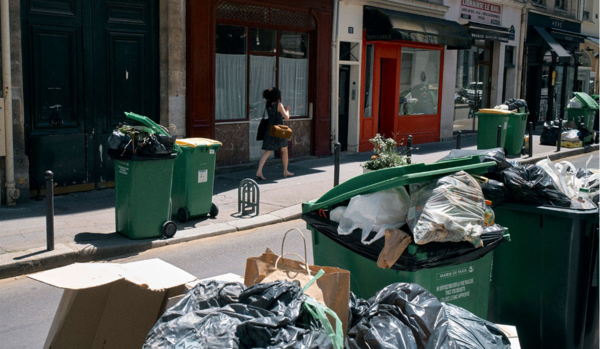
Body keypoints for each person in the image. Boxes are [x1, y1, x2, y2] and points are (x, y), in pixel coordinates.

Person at [256, 87, 294, 180]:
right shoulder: (279, 104)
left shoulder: (268, 104)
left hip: (270, 130)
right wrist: (288, 110)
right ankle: (285, 171)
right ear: (277, 96)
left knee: (267, 151)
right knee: (284, 150)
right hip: (279, 130)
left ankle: (259, 171)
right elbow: (287, 117)